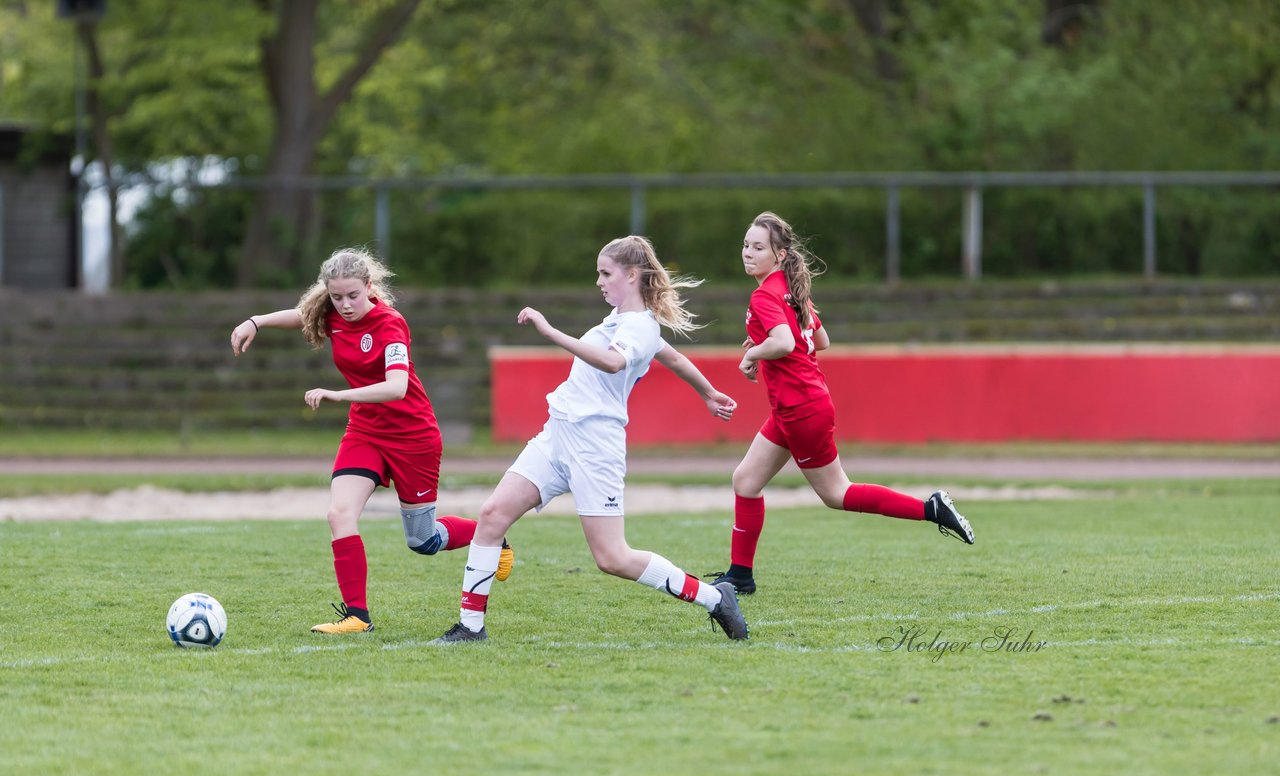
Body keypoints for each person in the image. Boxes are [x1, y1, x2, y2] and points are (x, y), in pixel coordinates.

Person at [431, 235, 749, 644]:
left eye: (606, 273)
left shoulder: (638, 325)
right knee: (492, 516)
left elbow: (614, 362)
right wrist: (707, 392)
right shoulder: (621, 320)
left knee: (612, 558)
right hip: (558, 433)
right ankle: (470, 628)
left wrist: (551, 331)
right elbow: (674, 357)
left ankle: (715, 598)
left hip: (595, 445)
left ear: (632, 275)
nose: (598, 281)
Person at [229, 247, 512, 634]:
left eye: (352, 296)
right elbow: (302, 315)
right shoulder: (330, 313)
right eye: (336, 297)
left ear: (369, 287)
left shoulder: (390, 324)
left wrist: (337, 395)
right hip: (365, 431)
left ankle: (492, 536)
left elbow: (396, 388)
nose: (344, 305)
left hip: (413, 437)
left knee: (423, 541)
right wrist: (255, 322)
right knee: (338, 513)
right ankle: (357, 617)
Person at [708, 211, 974, 596]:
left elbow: (783, 342)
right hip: (796, 407)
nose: (748, 253)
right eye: (746, 245)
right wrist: (763, 346)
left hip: (801, 410)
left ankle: (930, 508)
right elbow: (819, 341)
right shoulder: (789, 288)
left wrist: (753, 355)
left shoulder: (765, 294)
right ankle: (740, 575)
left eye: (758, 247)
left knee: (837, 494)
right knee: (745, 481)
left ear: (779, 255)